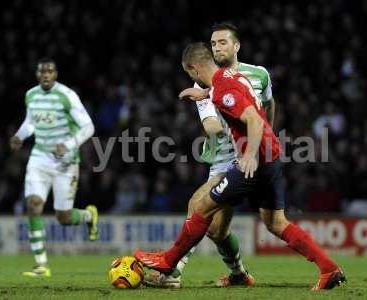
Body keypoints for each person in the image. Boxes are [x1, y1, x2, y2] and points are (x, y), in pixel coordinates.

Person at [135, 43, 346, 291]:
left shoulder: (224, 86)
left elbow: (254, 120)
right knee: (276, 223)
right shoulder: (229, 76)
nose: (191, 78)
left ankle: (168, 262)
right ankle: (329, 268)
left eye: (189, 73)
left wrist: (248, 155)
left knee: (201, 208)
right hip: (272, 157)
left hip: (254, 163)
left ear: (193, 68)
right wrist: (203, 95)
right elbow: (243, 97)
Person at [145, 22, 274, 288]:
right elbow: (212, 126)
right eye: (213, 44)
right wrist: (241, 123)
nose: (217, 48)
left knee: (197, 205)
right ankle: (239, 274)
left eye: (222, 43)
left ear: (236, 46)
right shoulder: (204, 83)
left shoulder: (259, 75)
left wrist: (263, 139)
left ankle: (171, 273)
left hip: (248, 157)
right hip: (222, 159)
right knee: (217, 230)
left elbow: (269, 106)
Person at [10, 58, 98, 277]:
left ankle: (88, 216)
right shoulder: (31, 95)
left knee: (63, 217)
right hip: (39, 158)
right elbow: (31, 121)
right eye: (42, 72)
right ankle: (41, 265)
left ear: (56, 74)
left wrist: (67, 145)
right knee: (33, 205)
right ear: (37, 74)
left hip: (65, 162)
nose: (46, 75)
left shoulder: (67, 96)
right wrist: (20, 136)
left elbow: (88, 126)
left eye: (50, 71)